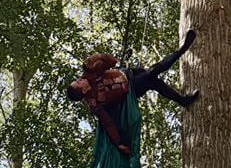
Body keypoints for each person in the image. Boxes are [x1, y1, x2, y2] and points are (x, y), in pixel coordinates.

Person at [67, 29, 199, 156]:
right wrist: (119, 143)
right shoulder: (94, 103)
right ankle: (181, 50)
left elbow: (112, 61)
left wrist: (97, 58)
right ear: (83, 90)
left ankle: (183, 101)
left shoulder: (89, 72)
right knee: (153, 72)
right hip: (131, 90)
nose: (79, 79)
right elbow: (107, 122)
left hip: (129, 74)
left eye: (77, 80)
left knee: (156, 83)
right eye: (78, 83)